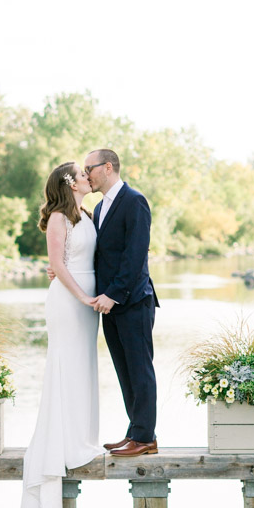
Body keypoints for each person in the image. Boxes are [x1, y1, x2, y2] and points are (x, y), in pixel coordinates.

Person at [15, 161, 104, 508]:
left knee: (83, 366)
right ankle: (63, 443)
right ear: (70, 183)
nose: (89, 176)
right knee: (65, 365)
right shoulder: (57, 217)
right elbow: (59, 265)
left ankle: (79, 437)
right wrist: (81, 296)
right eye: (83, 174)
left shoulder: (85, 214)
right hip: (69, 301)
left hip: (87, 298)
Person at [84, 148, 159, 458]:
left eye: (90, 168)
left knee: (140, 370)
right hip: (109, 305)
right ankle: (135, 432)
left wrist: (113, 294)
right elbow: (102, 256)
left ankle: (145, 438)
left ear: (108, 167)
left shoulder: (135, 201)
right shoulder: (100, 208)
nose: (86, 173)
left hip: (133, 301)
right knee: (124, 371)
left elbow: (135, 254)